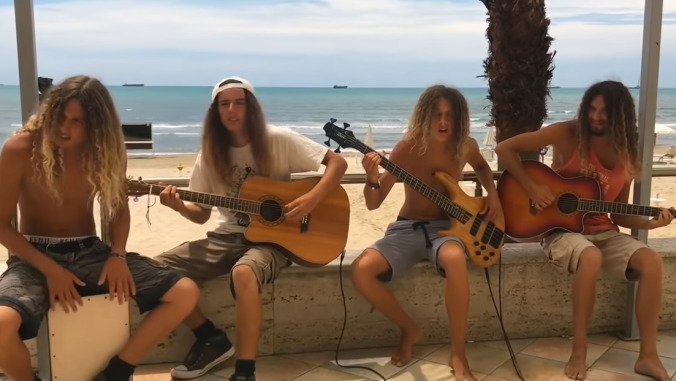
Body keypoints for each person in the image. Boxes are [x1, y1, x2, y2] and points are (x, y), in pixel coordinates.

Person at [0, 75, 200, 381]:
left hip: (89, 252)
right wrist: (51, 271)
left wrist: (117, 255)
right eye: (60, 117)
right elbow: (1, 225)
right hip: (33, 258)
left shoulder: (103, 151)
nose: (64, 128)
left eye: (77, 121)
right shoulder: (20, 148)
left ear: (95, 124)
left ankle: (118, 371)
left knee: (184, 293)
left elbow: (117, 209)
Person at [155, 76, 348, 381]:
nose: (232, 110)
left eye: (239, 102)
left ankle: (245, 371)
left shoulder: (278, 139)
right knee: (153, 270)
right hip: (226, 237)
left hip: (275, 239)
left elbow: (337, 163)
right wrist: (178, 204)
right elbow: (201, 215)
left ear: (251, 108)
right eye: (225, 103)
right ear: (215, 111)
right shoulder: (209, 153)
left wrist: (312, 198)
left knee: (244, 272)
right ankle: (210, 337)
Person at [494, 80, 673, 381]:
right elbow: (505, 148)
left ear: (622, 116)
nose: (596, 116)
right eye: (592, 108)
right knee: (589, 256)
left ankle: (648, 356)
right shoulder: (568, 134)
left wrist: (649, 223)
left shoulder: (627, 152)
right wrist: (533, 186)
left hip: (604, 230)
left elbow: (619, 212)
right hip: (560, 231)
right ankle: (580, 349)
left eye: (605, 111)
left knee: (652, 262)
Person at [350, 85, 503, 381]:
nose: (443, 123)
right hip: (408, 227)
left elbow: (483, 167)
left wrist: (492, 194)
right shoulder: (408, 148)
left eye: (449, 116)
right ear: (424, 117)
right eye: (437, 116)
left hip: (447, 229)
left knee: (456, 258)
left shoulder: (465, 146)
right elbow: (373, 203)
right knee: (361, 270)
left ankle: (458, 353)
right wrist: (371, 177)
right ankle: (409, 329)